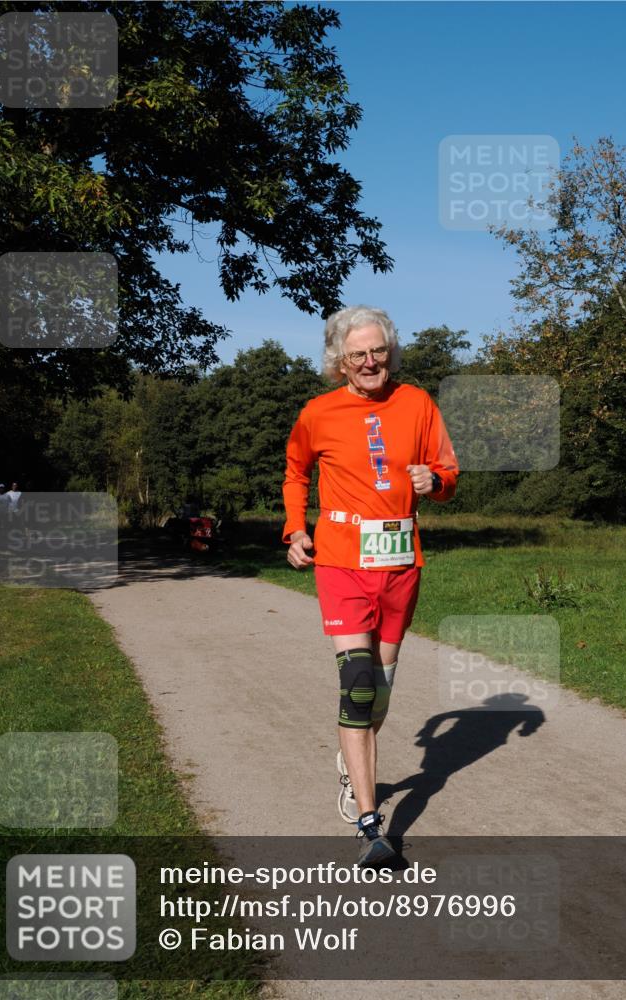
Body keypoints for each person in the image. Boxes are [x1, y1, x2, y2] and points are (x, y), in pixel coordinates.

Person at [282, 305, 459, 866]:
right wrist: (295, 529)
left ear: (390, 352)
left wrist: (436, 481)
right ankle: (370, 824)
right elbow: (295, 473)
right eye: (356, 354)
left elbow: (448, 474)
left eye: (377, 351)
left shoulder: (418, 403)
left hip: (401, 563)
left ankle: (350, 753)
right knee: (357, 687)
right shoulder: (318, 412)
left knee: (378, 692)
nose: (369, 362)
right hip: (340, 561)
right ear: (339, 361)